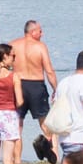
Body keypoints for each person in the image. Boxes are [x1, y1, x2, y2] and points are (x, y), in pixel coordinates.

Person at [13, 20, 57, 151]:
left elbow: (0, 64)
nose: (42, 34)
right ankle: (53, 158)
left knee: (17, 128)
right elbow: (49, 71)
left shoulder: (13, 45)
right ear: (33, 32)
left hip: (18, 86)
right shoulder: (40, 47)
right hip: (36, 86)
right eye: (40, 31)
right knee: (46, 125)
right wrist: (55, 89)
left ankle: (16, 163)